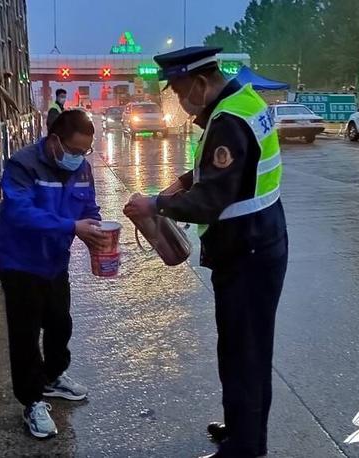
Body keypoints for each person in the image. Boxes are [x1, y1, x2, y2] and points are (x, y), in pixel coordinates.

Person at [124, 47, 288, 458]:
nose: (179, 101)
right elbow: (229, 172)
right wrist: (183, 181)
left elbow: (211, 200)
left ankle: (245, 448)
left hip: (247, 252)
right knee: (246, 347)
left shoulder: (229, 120)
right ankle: (242, 427)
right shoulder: (243, 100)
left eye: (179, 91)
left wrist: (156, 205)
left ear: (200, 82)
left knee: (243, 352)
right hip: (259, 241)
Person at [0, 109, 109, 439]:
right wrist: (72, 227)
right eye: (74, 151)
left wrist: (97, 234)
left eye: (85, 152)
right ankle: (31, 401)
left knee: (60, 323)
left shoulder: (82, 169)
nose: (79, 158)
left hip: (55, 263)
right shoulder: (23, 165)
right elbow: (20, 213)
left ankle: (52, 376)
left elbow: (88, 207)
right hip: (21, 263)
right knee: (26, 334)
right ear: (55, 140)